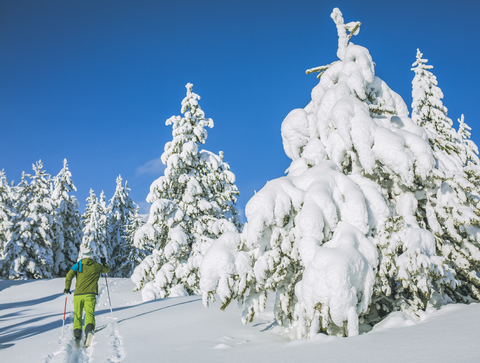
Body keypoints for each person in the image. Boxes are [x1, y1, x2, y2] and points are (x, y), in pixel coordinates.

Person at [64, 246, 110, 347]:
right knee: (89, 314)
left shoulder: (78, 265)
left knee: (77, 315)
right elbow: (107, 270)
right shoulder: (96, 265)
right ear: (91, 256)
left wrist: (67, 288)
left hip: (78, 295)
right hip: (90, 295)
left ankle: (77, 336)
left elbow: (69, 275)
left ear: (82, 256)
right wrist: (104, 262)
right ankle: (89, 332)